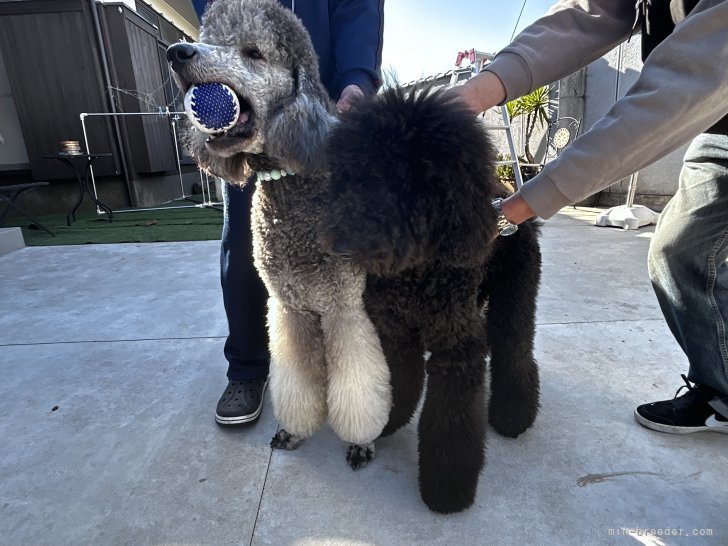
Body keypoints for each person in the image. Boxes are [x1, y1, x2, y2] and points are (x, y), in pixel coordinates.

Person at [447, 0, 728, 434]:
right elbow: (587, 15)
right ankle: (723, 392)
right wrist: (476, 93)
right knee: (679, 252)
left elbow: (675, 93)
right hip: (720, 129)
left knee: (511, 326)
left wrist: (513, 212)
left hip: (711, 92)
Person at [190, 0, 385, 425]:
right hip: (245, 119)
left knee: (345, 284)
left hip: (325, 102)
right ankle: (248, 369)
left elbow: (359, 9)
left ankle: (358, 405)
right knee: (247, 254)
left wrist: (356, 80)